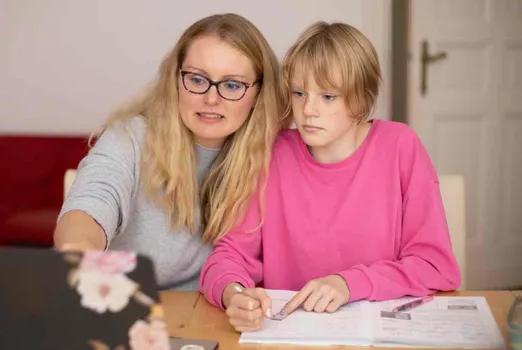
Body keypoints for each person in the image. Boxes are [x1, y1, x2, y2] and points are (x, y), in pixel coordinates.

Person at [199, 21, 461, 332]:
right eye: (299, 93)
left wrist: (349, 283)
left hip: (378, 335)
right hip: (290, 336)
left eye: (328, 96)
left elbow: (435, 267)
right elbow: (229, 256)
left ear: (361, 99)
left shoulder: (400, 146)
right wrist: (235, 294)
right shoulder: (272, 154)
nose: (308, 109)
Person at [53, 13, 286, 291]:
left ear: (259, 93)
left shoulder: (275, 155)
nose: (211, 98)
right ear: (175, 79)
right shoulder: (130, 137)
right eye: (198, 80)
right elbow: (93, 199)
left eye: (232, 85)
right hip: (121, 304)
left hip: (208, 316)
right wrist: (79, 250)